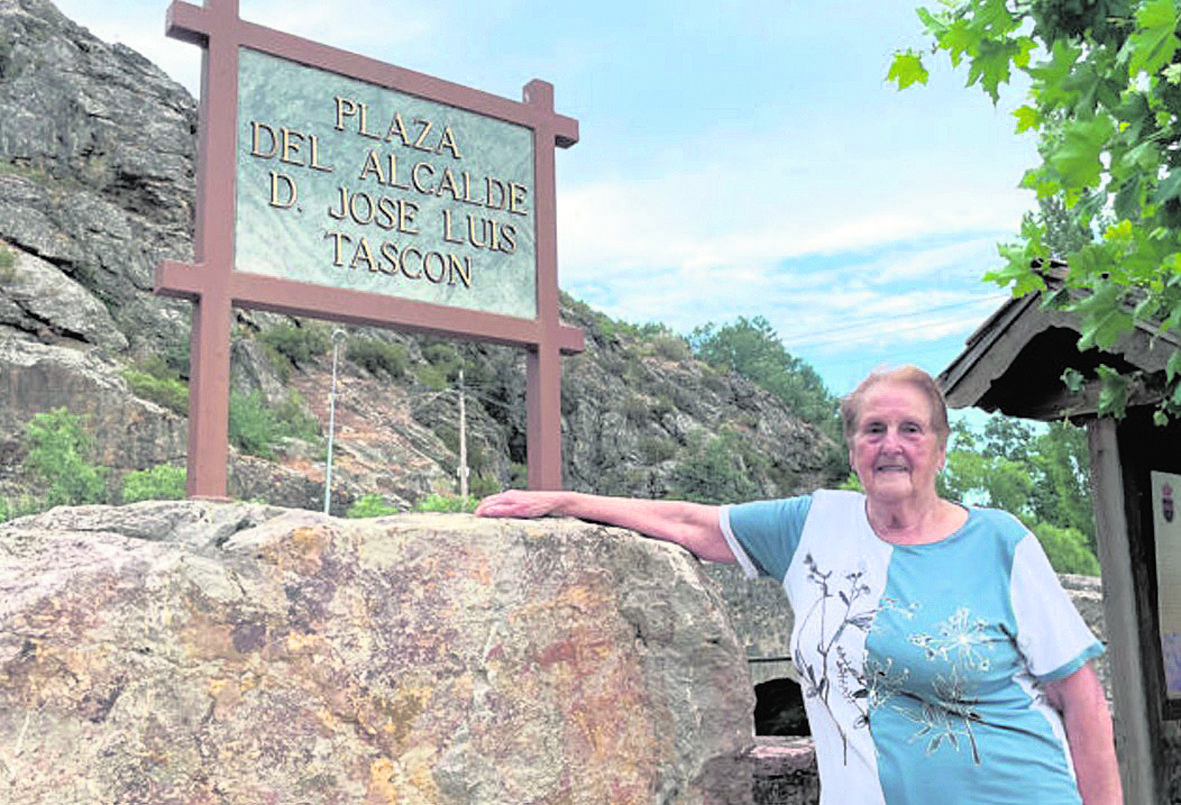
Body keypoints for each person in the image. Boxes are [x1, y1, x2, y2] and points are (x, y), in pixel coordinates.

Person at [476, 366, 1122, 804]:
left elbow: (1083, 702)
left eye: (910, 429)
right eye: (873, 429)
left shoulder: (998, 542)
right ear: (851, 448)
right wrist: (561, 500)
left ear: (940, 447)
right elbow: (688, 522)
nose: (890, 444)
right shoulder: (812, 526)